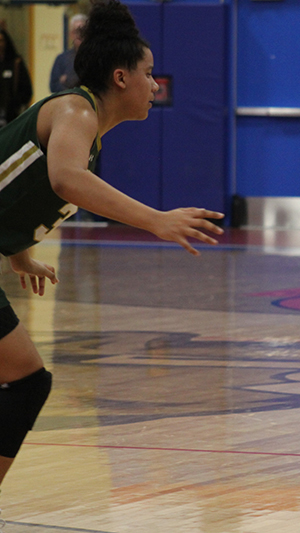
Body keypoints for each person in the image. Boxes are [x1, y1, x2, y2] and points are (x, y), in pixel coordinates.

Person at [0, 0, 224, 503]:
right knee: (25, 381)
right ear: (120, 78)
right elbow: (64, 179)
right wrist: (156, 220)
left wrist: (18, 254)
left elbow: (15, 182)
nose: (155, 85)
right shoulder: (75, 110)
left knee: (26, 381)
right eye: (149, 74)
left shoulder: (87, 133)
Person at [0, 28, 33, 128]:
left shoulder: (16, 63)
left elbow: (27, 90)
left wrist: (15, 103)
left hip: (11, 116)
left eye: (1, 41)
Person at [50, 13, 88, 93]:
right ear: (71, 34)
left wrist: (66, 80)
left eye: (82, 31)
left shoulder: (94, 57)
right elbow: (53, 86)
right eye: (76, 31)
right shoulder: (61, 59)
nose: (79, 35)